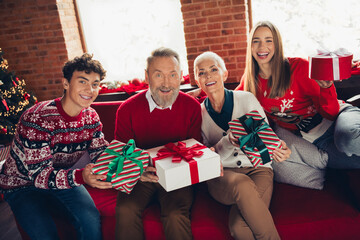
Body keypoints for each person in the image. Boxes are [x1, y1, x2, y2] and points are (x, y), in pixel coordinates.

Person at [0, 53, 112, 240]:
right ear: (66, 83)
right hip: (21, 185)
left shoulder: (91, 116)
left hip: (61, 176)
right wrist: (81, 176)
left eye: (95, 84)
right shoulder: (37, 118)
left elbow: (100, 151)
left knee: (90, 220)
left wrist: (135, 166)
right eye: (83, 81)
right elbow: (39, 176)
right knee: (45, 235)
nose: (90, 89)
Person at [236, 21, 360, 188]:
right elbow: (230, 99)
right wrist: (201, 93)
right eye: (256, 41)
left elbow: (331, 112)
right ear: (250, 47)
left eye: (268, 40)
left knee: (348, 141)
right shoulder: (250, 82)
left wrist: (327, 88)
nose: (262, 46)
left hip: (339, 117)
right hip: (317, 141)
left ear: (277, 45)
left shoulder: (299, 67)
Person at [194, 51, 291, 240]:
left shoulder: (245, 99)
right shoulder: (199, 114)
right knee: (242, 183)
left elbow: (266, 138)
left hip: (258, 170)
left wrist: (279, 148)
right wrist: (226, 141)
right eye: (201, 72)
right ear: (197, 81)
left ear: (224, 74)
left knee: (239, 228)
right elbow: (206, 156)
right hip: (223, 177)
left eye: (214, 69)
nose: (208, 76)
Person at [114, 47, 202, 240]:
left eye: (172, 75)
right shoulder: (127, 109)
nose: (166, 83)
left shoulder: (192, 107)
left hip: (178, 173)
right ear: (147, 77)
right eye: (158, 75)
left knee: (174, 214)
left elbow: (195, 148)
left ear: (180, 76)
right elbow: (120, 154)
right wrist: (138, 171)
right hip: (140, 173)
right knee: (125, 210)